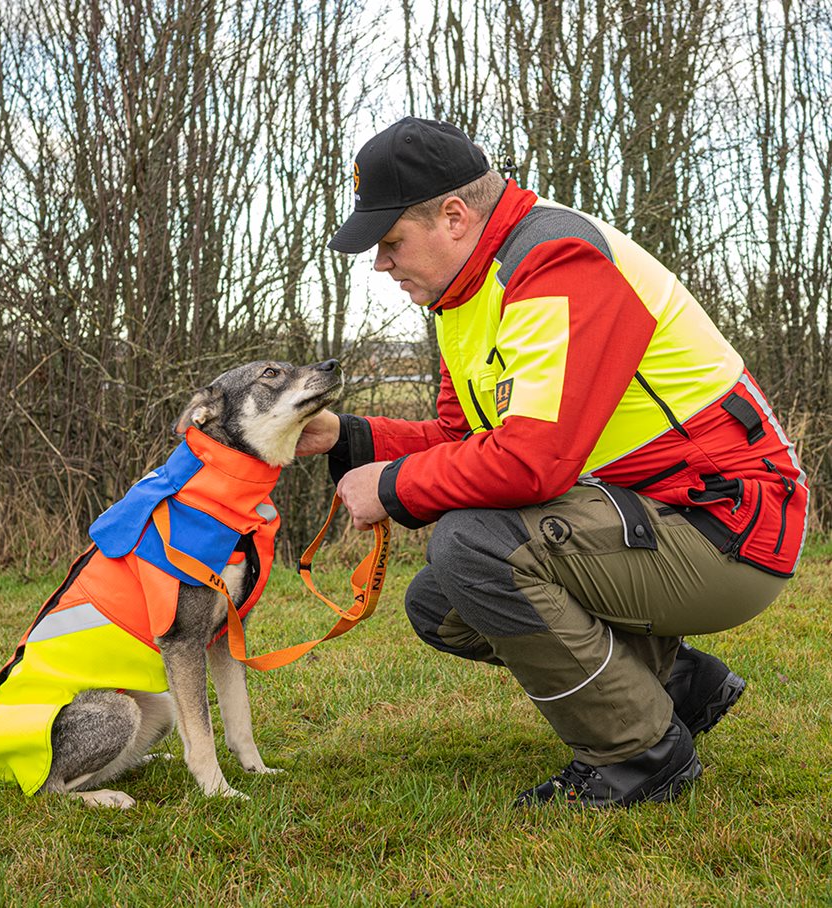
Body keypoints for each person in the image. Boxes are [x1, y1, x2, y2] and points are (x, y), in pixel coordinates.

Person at [296, 117, 808, 807]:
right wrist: (349, 438)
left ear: (454, 217)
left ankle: (639, 754)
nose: (381, 265)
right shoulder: (467, 294)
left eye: (391, 242)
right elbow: (461, 438)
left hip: (729, 528)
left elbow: (533, 465)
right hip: (654, 515)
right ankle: (678, 685)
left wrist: (391, 486)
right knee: (442, 602)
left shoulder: (557, 261)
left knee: (475, 545)